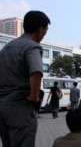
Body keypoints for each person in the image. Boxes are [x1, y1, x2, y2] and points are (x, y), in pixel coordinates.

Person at [0, 10, 50, 147]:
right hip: (20, 107)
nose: (44, 35)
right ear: (40, 30)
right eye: (45, 32)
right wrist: (34, 97)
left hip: (3, 106)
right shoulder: (32, 47)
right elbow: (36, 72)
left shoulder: (6, 48)